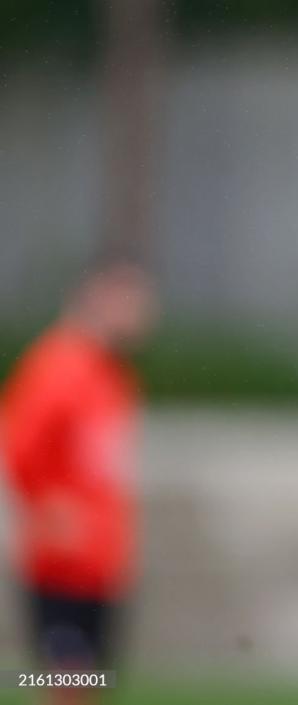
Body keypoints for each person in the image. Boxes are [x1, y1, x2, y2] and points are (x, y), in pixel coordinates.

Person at [1, 254, 157, 702]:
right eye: (133, 300)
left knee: (91, 686)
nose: (144, 315)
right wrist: (48, 512)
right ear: (101, 297)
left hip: (102, 566)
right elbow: (17, 449)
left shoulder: (110, 374)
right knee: (67, 686)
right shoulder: (57, 366)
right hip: (63, 568)